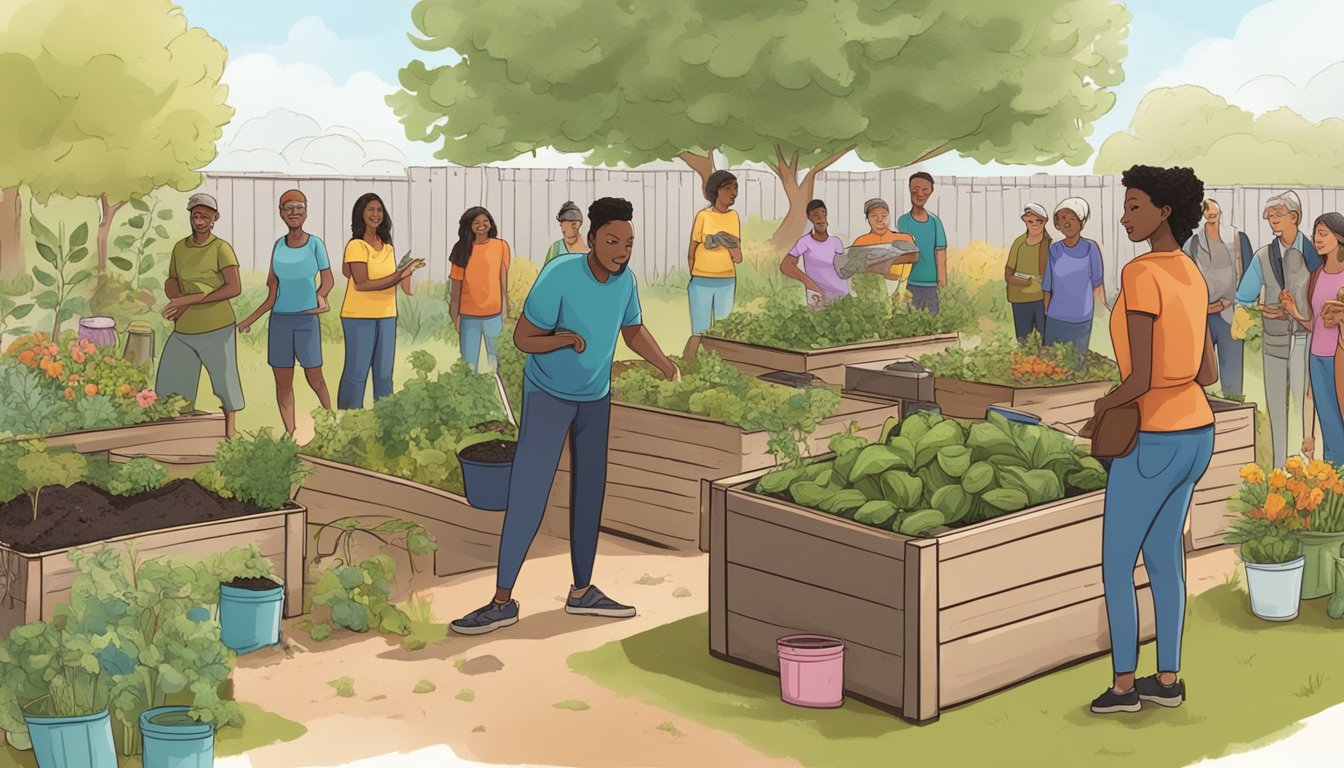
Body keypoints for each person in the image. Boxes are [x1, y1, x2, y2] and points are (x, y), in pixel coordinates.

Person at [450, 197, 680, 636]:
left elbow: (631, 330)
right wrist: (563, 340)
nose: (622, 252)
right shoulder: (560, 274)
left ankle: (582, 592)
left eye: (629, 244)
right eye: (613, 241)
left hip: (595, 398)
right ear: (591, 239)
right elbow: (523, 338)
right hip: (549, 395)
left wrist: (664, 364)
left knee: (590, 492)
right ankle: (502, 601)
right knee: (530, 491)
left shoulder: (625, 281)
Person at [1083, 164, 1216, 715]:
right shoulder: (1192, 272)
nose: (1124, 215)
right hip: (1198, 430)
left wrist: (1101, 406)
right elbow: (1207, 370)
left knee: (1118, 561)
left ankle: (1122, 687)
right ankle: (1168, 679)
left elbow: (1138, 377)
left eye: (1135, 205)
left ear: (1165, 211)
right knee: (1164, 556)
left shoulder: (1142, 274)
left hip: (1155, 435)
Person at [1234, 190, 1322, 468]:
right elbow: (1243, 297)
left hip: (1306, 340)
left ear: (1295, 217)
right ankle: (1278, 471)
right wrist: (1262, 310)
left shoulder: (1316, 255)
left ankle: (1306, 469)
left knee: (1303, 409)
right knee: (1275, 408)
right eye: (1269, 217)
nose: (1273, 221)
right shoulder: (1262, 256)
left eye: (1278, 215)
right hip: (1273, 340)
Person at [237, 189, 334, 434]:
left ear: (306, 211)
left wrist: (321, 297)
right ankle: (290, 434)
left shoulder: (315, 244)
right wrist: (248, 320)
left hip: (306, 321)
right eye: (288, 208)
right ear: (281, 213)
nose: (294, 212)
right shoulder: (278, 246)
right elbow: (272, 293)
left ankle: (330, 425)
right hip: (280, 322)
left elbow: (328, 280)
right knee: (283, 384)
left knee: (316, 379)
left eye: (299, 207)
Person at [155, 192, 245, 438]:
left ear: (215, 218)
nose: (200, 221)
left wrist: (189, 300)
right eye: (196, 216)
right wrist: (179, 302)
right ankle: (175, 436)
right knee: (170, 385)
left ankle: (230, 434)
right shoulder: (180, 248)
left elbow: (234, 287)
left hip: (217, 327)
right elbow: (171, 280)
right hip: (184, 329)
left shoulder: (221, 248)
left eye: (205, 216)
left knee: (225, 382)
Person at [337, 193, 421, 409]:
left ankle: (385, 422)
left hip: (386, 315)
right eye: (371, 210)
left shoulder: (387, 246)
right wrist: (400, 274)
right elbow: (361, 283)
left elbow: (397, 283)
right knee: (357, 373)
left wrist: (407, 273)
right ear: (361, 214)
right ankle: (349, 420)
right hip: (359, 317)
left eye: (379, 210)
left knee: (384, 375)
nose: (376, 214)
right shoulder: (356, 245)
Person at [1282, 212, 1344, 465]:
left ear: (1339, 238)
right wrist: (1294, 311)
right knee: (1328, 423)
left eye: (1323, 234)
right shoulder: (1316, 276)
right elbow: (1314, 324)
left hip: (1339, 357)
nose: (1316, 240)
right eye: (1315, 234)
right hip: (1316, 357)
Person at [1183, 199, 1254, 397]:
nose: (1210, 212)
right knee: (1197, 371)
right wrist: (1203, 307)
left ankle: (1236, 413)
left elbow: (1248, 275)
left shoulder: (1238, 239)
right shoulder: (1194, 243)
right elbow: (1185, 278)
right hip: (1202, 316)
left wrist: (1235, 302)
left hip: (1230, 314)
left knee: (1232, 372)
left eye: (1213, 206)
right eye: (1205, 208)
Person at [449, 206, 511, 372]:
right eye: (476, 222)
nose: (481, 225)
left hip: (494, 316)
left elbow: (504, 281)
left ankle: (497, 396)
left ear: (491, 224)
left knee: (496, 364)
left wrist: (507, 312)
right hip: (468, 317)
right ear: (469, 225)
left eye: (485, 221)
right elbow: (455, 288)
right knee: (468, 366)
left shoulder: (501, 246)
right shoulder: (461, 249)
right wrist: (455, 317)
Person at [686, 170, 742, 351]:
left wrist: (728, 244)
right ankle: (688, 368)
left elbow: (737, 254)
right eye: (728, 188)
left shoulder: (733, 216)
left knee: (722, 330)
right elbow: (692, 250)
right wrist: (695, 274)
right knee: (699, 330)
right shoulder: (703, 216)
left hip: (726, 280)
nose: (733, 192)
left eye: (735, 187)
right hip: (701, 280)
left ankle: (717, 369)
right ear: (716, 191)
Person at [1042, 197, 1105, 352]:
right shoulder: (1054, 249)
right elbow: (1047, 287)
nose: (1067, 223)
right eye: (1062, 218)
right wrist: (1046, 313)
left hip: (1081, 319)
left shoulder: (1091, 248)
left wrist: (1100, 316)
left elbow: (1098, 285)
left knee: (1077, 364)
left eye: (1073, 218)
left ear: (1081, 223)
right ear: (1057, 223)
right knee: (1051, 363)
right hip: (1055, 318)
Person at [897, 172, 948, 313]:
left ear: (930, 192)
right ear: (909, 189)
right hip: (910, 282)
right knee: (911, 320)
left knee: (932, 320)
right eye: (916, 188)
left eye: (925, 190)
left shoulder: (935, 222)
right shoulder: (903, 221)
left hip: (931, 285)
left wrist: (942, 282)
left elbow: (941, 252)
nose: (920, 193)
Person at [781, 199, 847, 306]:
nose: (821, 218)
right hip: (819, 296)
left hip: (842, 295)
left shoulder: (836, 242)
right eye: (816, 215)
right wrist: (809, 283)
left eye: (823, 213)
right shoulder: (805, 242)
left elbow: (842, 268)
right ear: (809, 218)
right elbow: (786, 265)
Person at [1004, 203, 1051, 342]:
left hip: (1042, 298)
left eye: (1039, 221)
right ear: (1025, 221)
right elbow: (1008, 273)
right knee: (1024, 339)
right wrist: (1025, 282)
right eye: (1030, 221)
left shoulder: (1049, 245)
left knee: (1045, 339)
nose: (1034, 225)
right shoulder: (1019, 243)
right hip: (1020, 298)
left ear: (1044, 222)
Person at [852, 198, 916, 293]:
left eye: (884, 215)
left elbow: (913, 256)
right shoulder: (861, 241)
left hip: (901, 291)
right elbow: (854, 265)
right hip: (871, 290)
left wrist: (886, 261)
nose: (880, 219)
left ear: (889, 217)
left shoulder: (904, 238)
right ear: (868, 219)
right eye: (874, 216)